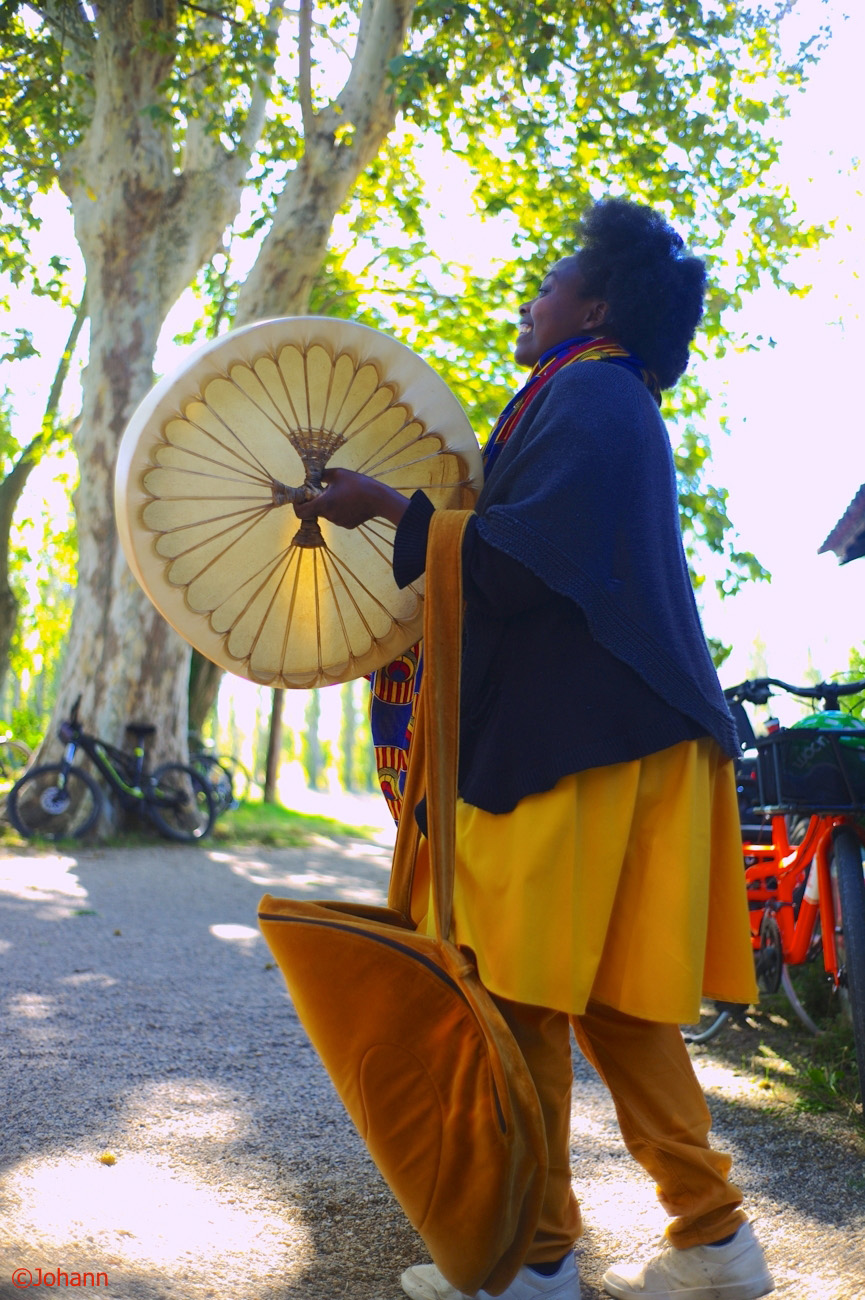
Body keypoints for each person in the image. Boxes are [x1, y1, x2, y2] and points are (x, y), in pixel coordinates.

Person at [294, 198, 775, 1300]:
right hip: (619, 738)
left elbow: (515, 565)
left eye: (550, 279)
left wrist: (389, 511)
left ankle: (535, 1260)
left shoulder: (595, 395)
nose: (528, 295)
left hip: (585, 746)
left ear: (594, 306)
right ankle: (713, 1244)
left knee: (515, 994)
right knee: (613, 1002)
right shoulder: (597, 397)